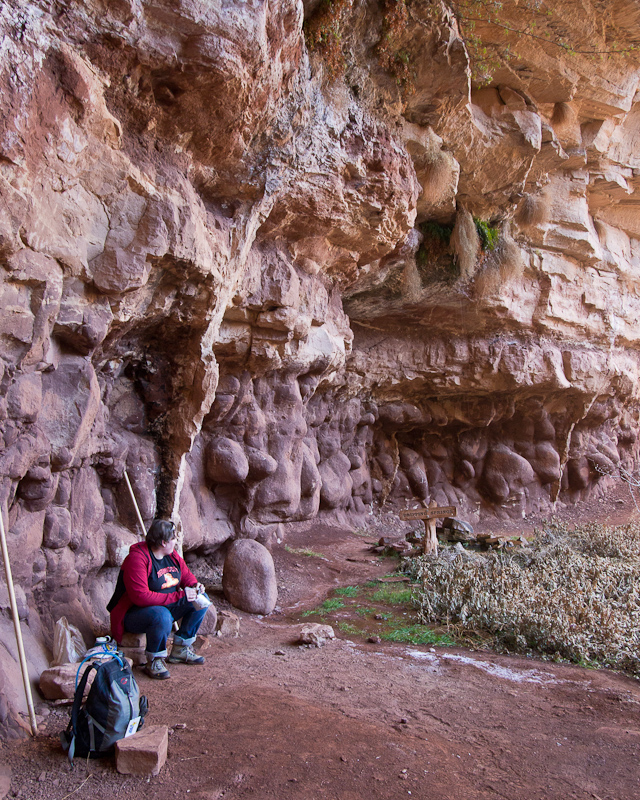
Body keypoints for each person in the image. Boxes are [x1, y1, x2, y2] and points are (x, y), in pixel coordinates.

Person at [108, 519, 209, 680]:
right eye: (173, 538)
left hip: (164, 607)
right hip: (134, 614)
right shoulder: (137, 559)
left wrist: (194, 586)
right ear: (163, 542)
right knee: (162, 615)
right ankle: (155, 660)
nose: (176, 541)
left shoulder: (171, 555)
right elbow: (141, 597)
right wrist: (180, 596)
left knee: (201, 599)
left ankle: (180, 649)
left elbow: (185, 575)